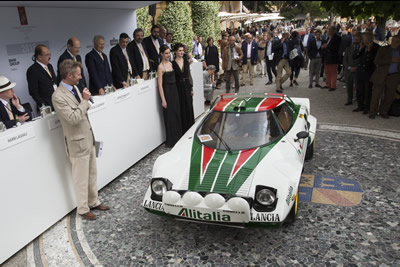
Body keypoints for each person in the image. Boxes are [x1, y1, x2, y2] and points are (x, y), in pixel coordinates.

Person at [52, 59, 110, 220]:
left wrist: (84, 100)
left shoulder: (75, 88)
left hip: (88, 138)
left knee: (92, 173)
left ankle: (93, 201)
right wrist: (84, 100)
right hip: (76, 143)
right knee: (80, 178)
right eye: (78, 74)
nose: (80, 77)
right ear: (69, 75)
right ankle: (83, 209)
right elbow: (73, 118)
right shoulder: (58, 96)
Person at [369, 34, 400, 119]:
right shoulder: (384, 49)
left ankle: (384, 111)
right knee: (376, 95)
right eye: (394, 41)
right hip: (381, 75)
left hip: (394, 76)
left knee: (389, 95)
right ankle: (372, 111)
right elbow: (376, 61)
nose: (395, 43)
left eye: (397, 42)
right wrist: (391, 60)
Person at [157, 45, 183, 147]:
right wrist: (163, 99)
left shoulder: (171, 64)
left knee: (177, 115)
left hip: (174, 92)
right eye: (166, 53)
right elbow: (159, 84)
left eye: (169, 53)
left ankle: (178, 138)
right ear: (162, 54)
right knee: (169, 117)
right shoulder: (160, 67)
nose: (168, 55)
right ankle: (171, 140)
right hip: (167, 93)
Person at [353, 32, 380, 114]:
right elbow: (354, 56)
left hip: (369, 72)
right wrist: (360, 49)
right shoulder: (362, 46)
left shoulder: (376, 47)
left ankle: (367, 107)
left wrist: (369, 50)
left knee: (367, 91)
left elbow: (375, 59)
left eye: (364, 38)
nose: (363, 40)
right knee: (359, 90)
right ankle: (360, 105)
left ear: (369, 38)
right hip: (361, 71)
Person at [172, 43, 195, 134]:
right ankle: (183, 130)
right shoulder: (172, 64)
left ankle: (190, 128)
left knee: (189, 106)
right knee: (181, 107)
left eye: (182, 51)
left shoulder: (186, 61)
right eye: (179, 51)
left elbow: (189, 75)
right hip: (178, 87)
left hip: (187, 85)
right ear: (175, 52)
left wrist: (191, 87)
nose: (181, 52)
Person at [26, 44, 57, 110]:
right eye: (47, 55)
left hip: (57, 101)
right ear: (39, 57)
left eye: (49, 54)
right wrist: (44, 105)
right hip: (47, 105)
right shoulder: (32, 70)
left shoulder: (50, 66)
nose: (49, 57)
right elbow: (33, 92)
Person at [342, 33, 361, 105]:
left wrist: (356, 67)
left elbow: (362, 60)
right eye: (355, 39)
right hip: (348, 70)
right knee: (349, 86)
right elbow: (344, 60)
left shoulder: (362, 49)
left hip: (357, 70)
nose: (356, 41)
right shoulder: (348, 48)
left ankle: (357, 99)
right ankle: (349, 99)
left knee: (357, 86)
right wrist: (349, 67)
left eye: (357, 40)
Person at [321, 26, 342, 91]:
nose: (328, 31)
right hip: (327, 57)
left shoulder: (337, 38)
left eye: (329, 30)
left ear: (333, 31)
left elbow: (335, 47)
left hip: (333, 57)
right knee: (327, 72)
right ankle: (328, 84)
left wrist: (326, 46)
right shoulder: (328, 38)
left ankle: (333, 85)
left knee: (333, 72)